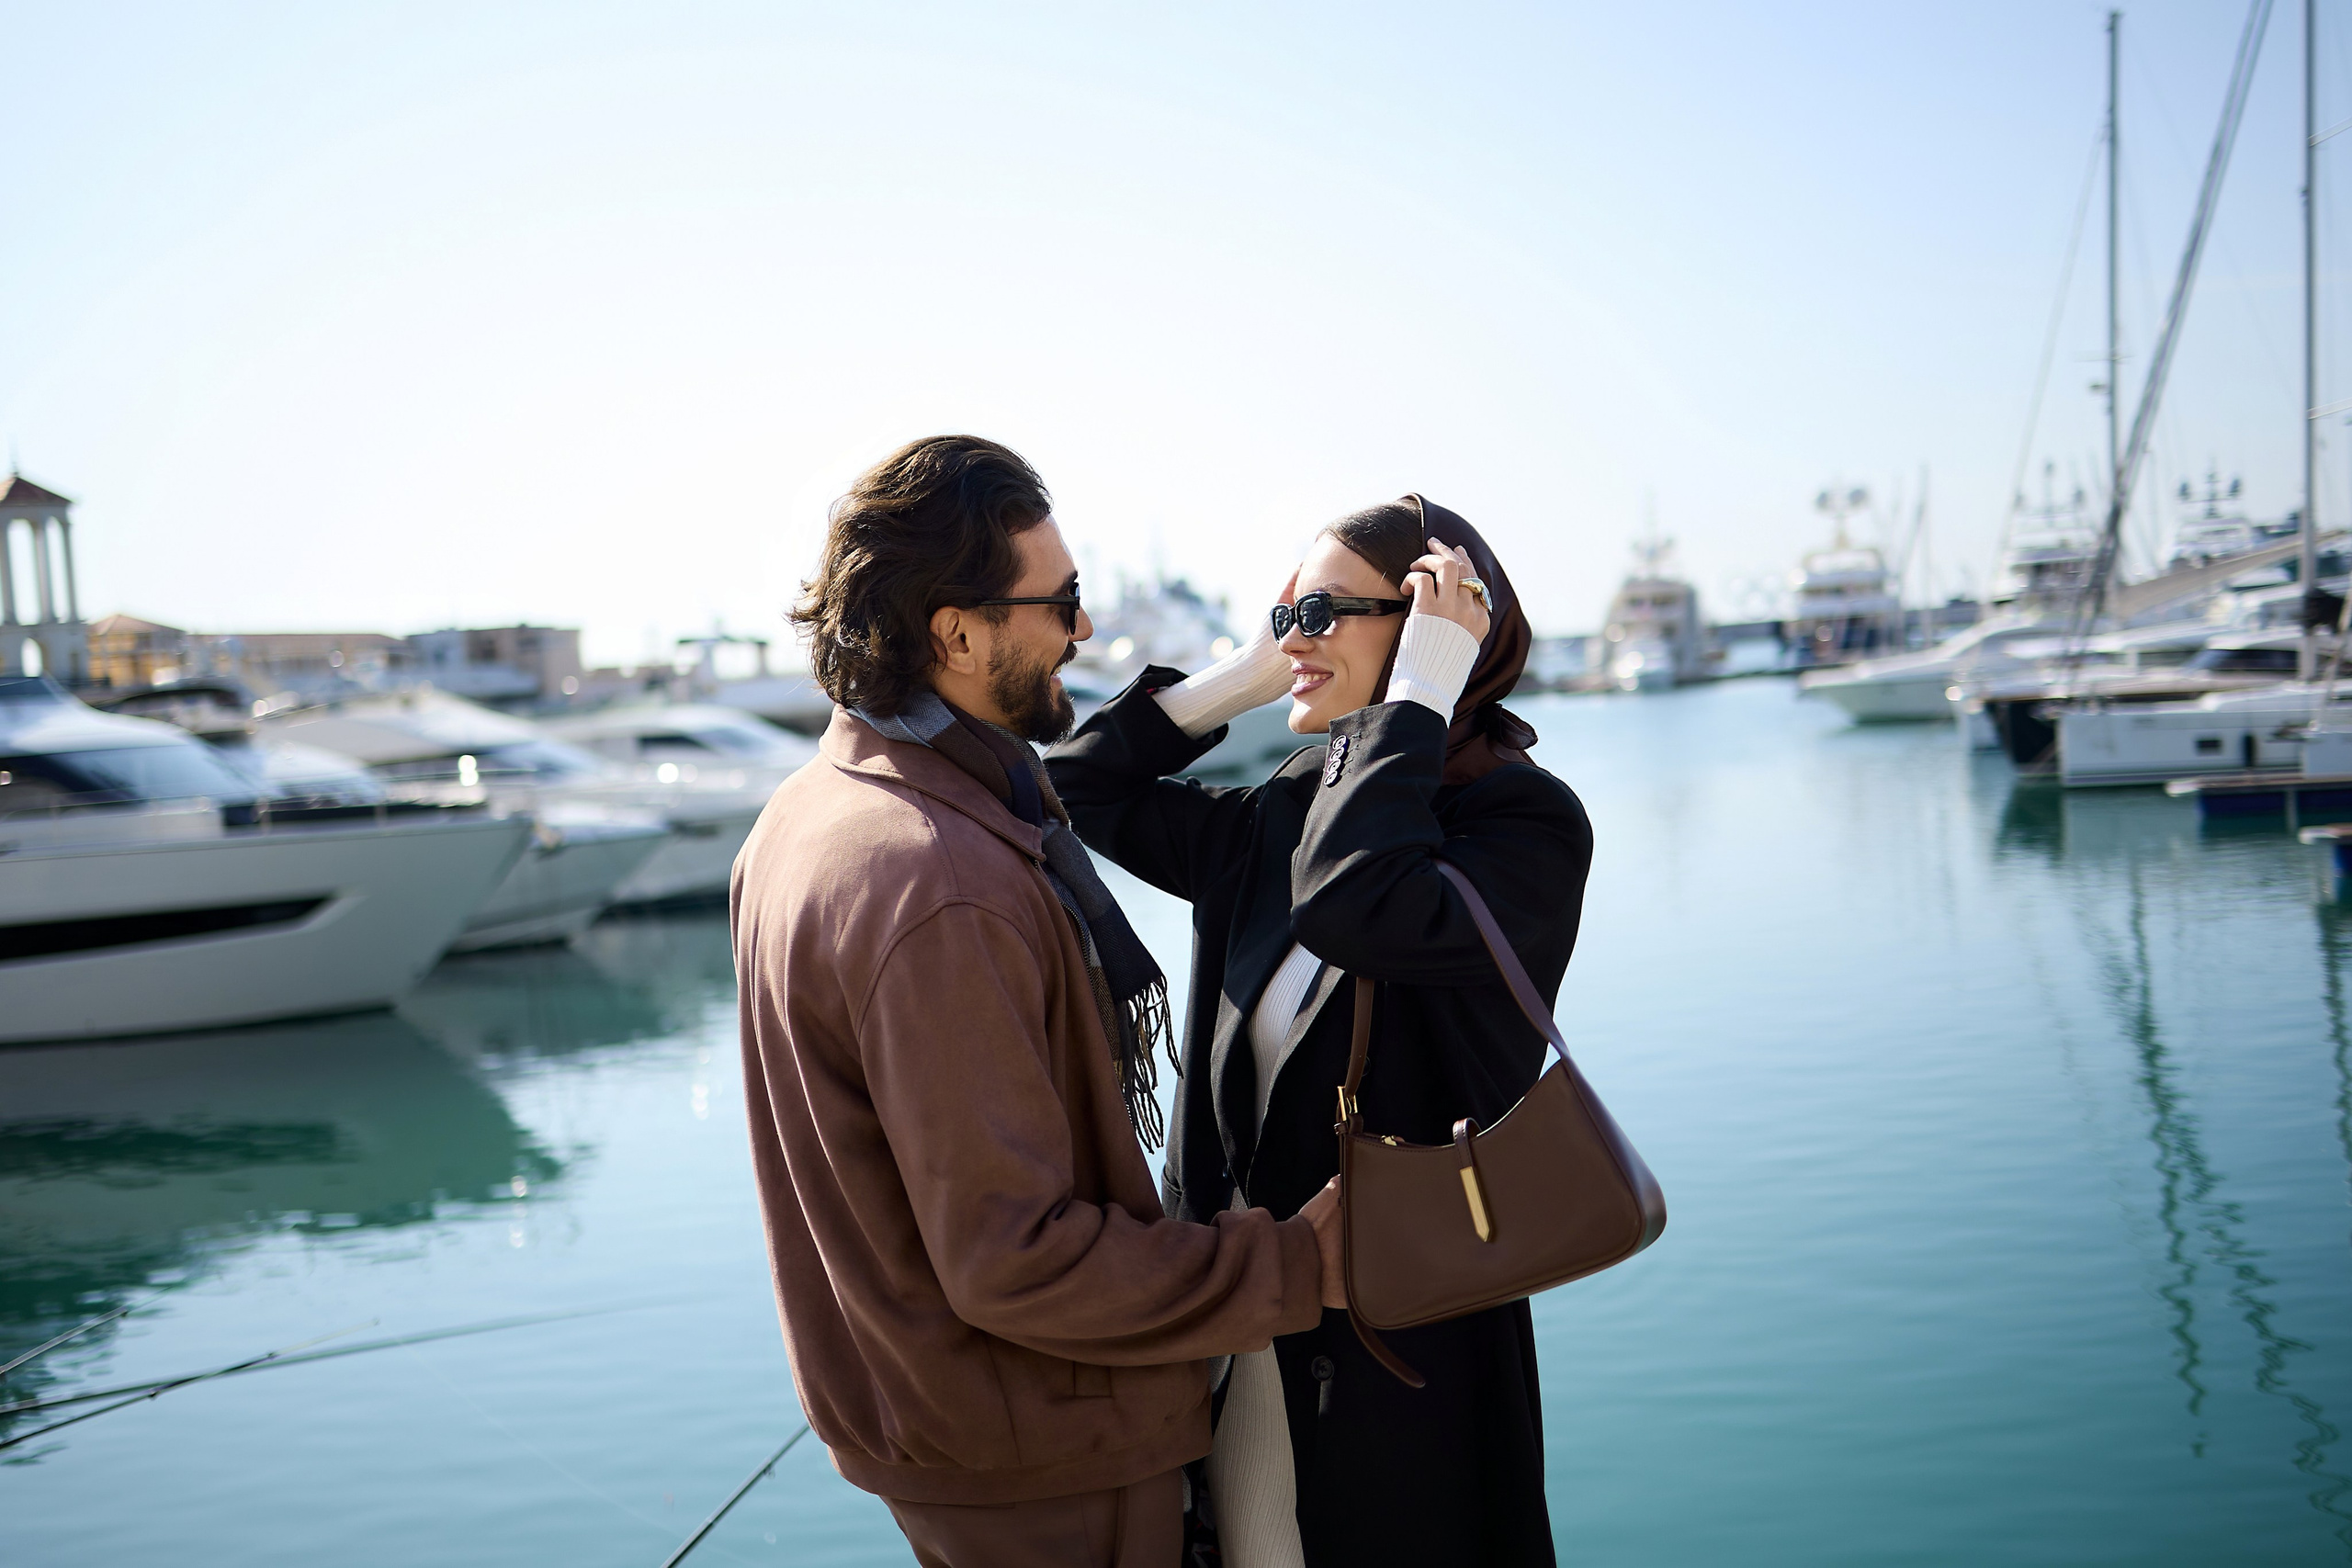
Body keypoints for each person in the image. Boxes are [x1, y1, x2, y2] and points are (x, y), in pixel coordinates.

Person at [731, 434, 1347, 1568]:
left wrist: (1238, 676)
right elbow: (1015, 1256)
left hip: (957, 1434)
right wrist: (1296, 1264)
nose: (1086, 628)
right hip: (1045, 1452)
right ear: (957, 634)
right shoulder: (938, 879)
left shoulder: (812, 814)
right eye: (1060, 602)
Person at [1046, 496, 1592, 1567]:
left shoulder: (1524, 825)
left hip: (1402, 1353)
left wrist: (1418, 697)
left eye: (1329, 612)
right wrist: (1251, 673)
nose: (1298, 635)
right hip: (1234, 1323)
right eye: (1287, 612)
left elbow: (1358, 903)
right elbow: (1069, 790)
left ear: (1438, 629)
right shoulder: (1289, 806)